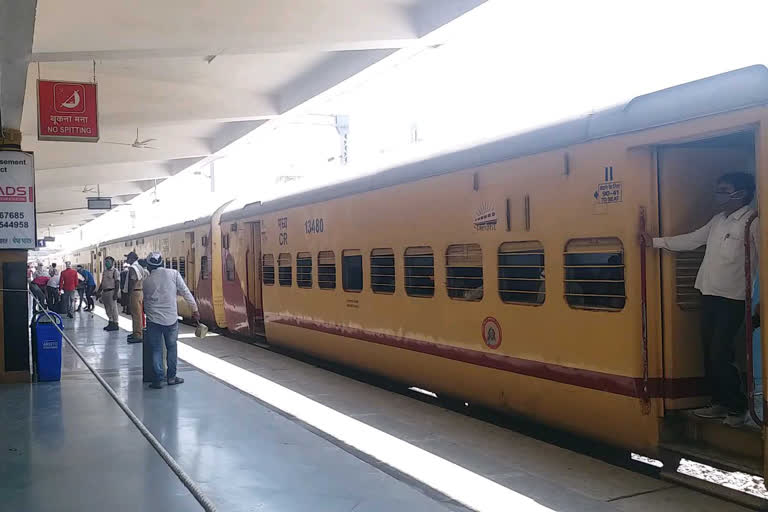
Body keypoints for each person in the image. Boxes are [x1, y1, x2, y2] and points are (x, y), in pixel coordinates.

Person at [641, 172, 757, 426]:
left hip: (734, 298)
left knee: (720, 352)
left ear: (742, 193)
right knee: (708, 350)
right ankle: (718, 402)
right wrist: (656, 242)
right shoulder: (718, 220)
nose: (719, 195)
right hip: (709, 293)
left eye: (724, 190)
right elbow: (693, 240)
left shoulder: (753, 222)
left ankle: (738, 408)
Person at [143, 252, 199, 389]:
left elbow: (146, 302)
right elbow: (185, 291)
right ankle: (172, 378)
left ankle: (158, 380)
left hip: (154, 321)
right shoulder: (173, 274)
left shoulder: (147, 281)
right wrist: (195, 309)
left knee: (156, 350)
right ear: (162, 262)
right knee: (172, 348)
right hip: (171, 319)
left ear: (149, 265)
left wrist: (150, 315)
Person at [126, 252, 148, 343]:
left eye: (128, 258)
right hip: (140, 291)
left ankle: (137, 334)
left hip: (135, 292)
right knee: (138, 313)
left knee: (136, 314)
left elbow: (133, 280)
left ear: (132, 258)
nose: (127, 260)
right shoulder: (140, 267)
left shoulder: (133, 268)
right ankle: (137, 332)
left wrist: (129, 293)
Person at [96, 256, 120, 331]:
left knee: (113, 308)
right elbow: (102, 282)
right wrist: (99, 291)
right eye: (106, 262)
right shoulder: (105, 272)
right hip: (105, 292)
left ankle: (115, 323)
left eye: (108, 262)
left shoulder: (115, 271)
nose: (107, 263)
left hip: (111, 291)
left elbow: (117, 282)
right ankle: (110, 322)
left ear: (112, 263)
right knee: (107, 308)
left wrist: (116, 293)